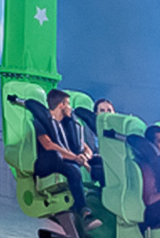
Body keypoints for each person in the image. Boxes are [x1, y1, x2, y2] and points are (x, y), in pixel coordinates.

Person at [31, 90, 103, 232]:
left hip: (65, 159)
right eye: (68, 104)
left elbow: (83, 146)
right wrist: (74, 157)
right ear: (62, 104)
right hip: (47, 161)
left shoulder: (66, 125)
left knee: (96, 163)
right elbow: (48, 145)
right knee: (72, 168)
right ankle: (84, 212)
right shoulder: (42, 121)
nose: (70, 107)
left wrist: (85, 156)